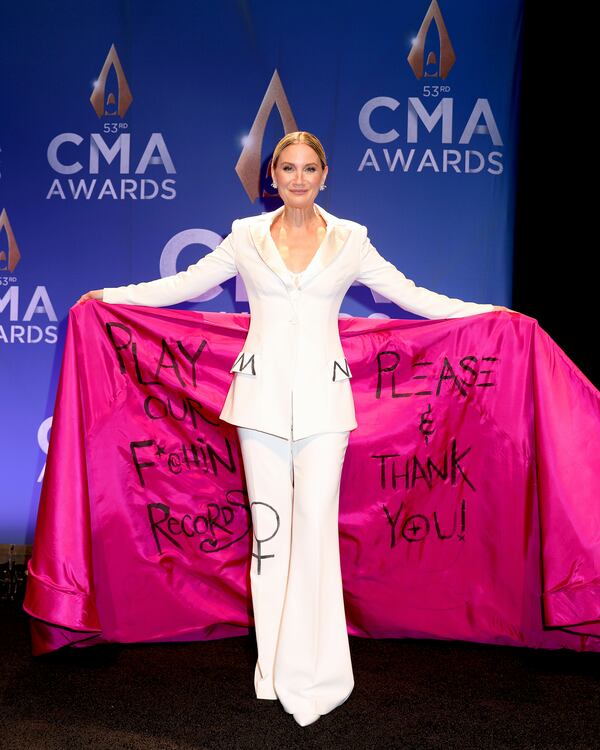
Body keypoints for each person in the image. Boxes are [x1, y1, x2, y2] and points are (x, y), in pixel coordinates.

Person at [75, 130, 511, 727]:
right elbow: (181, 286)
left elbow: (411, 296)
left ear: (325, 175)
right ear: (272, 177)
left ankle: (322, 672)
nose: (298, 178)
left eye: (309, 168)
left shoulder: (352, 239)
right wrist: (109, 297)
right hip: (257, 405)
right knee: (270, 539)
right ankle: (274, 670)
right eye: (287, 168)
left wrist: (487, 312)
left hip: (327, 409)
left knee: (315, 535)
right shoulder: (245, 236)